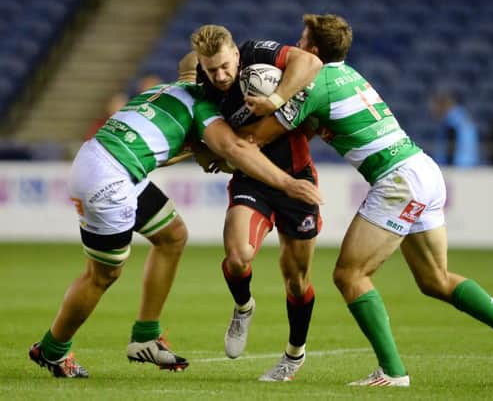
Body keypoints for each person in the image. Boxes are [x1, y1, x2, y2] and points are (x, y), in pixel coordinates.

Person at [243, 13, 493, 387]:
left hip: (398, 178)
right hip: (422, 168)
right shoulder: (349, 75)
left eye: (301, 41)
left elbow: (257, 136)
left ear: (313, 49)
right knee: (435, 279)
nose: (296, 48)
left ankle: (392, 372)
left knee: (349, 275)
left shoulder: (315, 83)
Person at [28, 80, 322, 378]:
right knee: (102, 275)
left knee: (172, 236)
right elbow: (233, 148)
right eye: (215, 71)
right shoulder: (203, 106)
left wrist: (200, 150)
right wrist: (287, 182)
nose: (223, 78)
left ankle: (146, 336)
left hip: (112, 165)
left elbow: (183, 141)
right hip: (109, 179)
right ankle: (53, 351)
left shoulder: (175, 89)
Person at [178, 24, 323, 381]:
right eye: (213, 70)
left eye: (226, 67)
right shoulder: (202, 85)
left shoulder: (258, 53)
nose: (222, 76)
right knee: (238, 257)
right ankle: (243, 306)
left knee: (297, 281)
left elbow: (309, 62)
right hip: (251, 180)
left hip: (296, 175)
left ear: (237, 55)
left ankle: (293, 355)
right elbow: (195, 129)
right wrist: (201, 149)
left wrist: (275, 100)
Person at [429, 89, 480, 167]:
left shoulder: (453, 123)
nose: (433, 111)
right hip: (465, 166)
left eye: (435, 107)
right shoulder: (461, 118)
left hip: (458, 168)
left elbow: (453, 148)